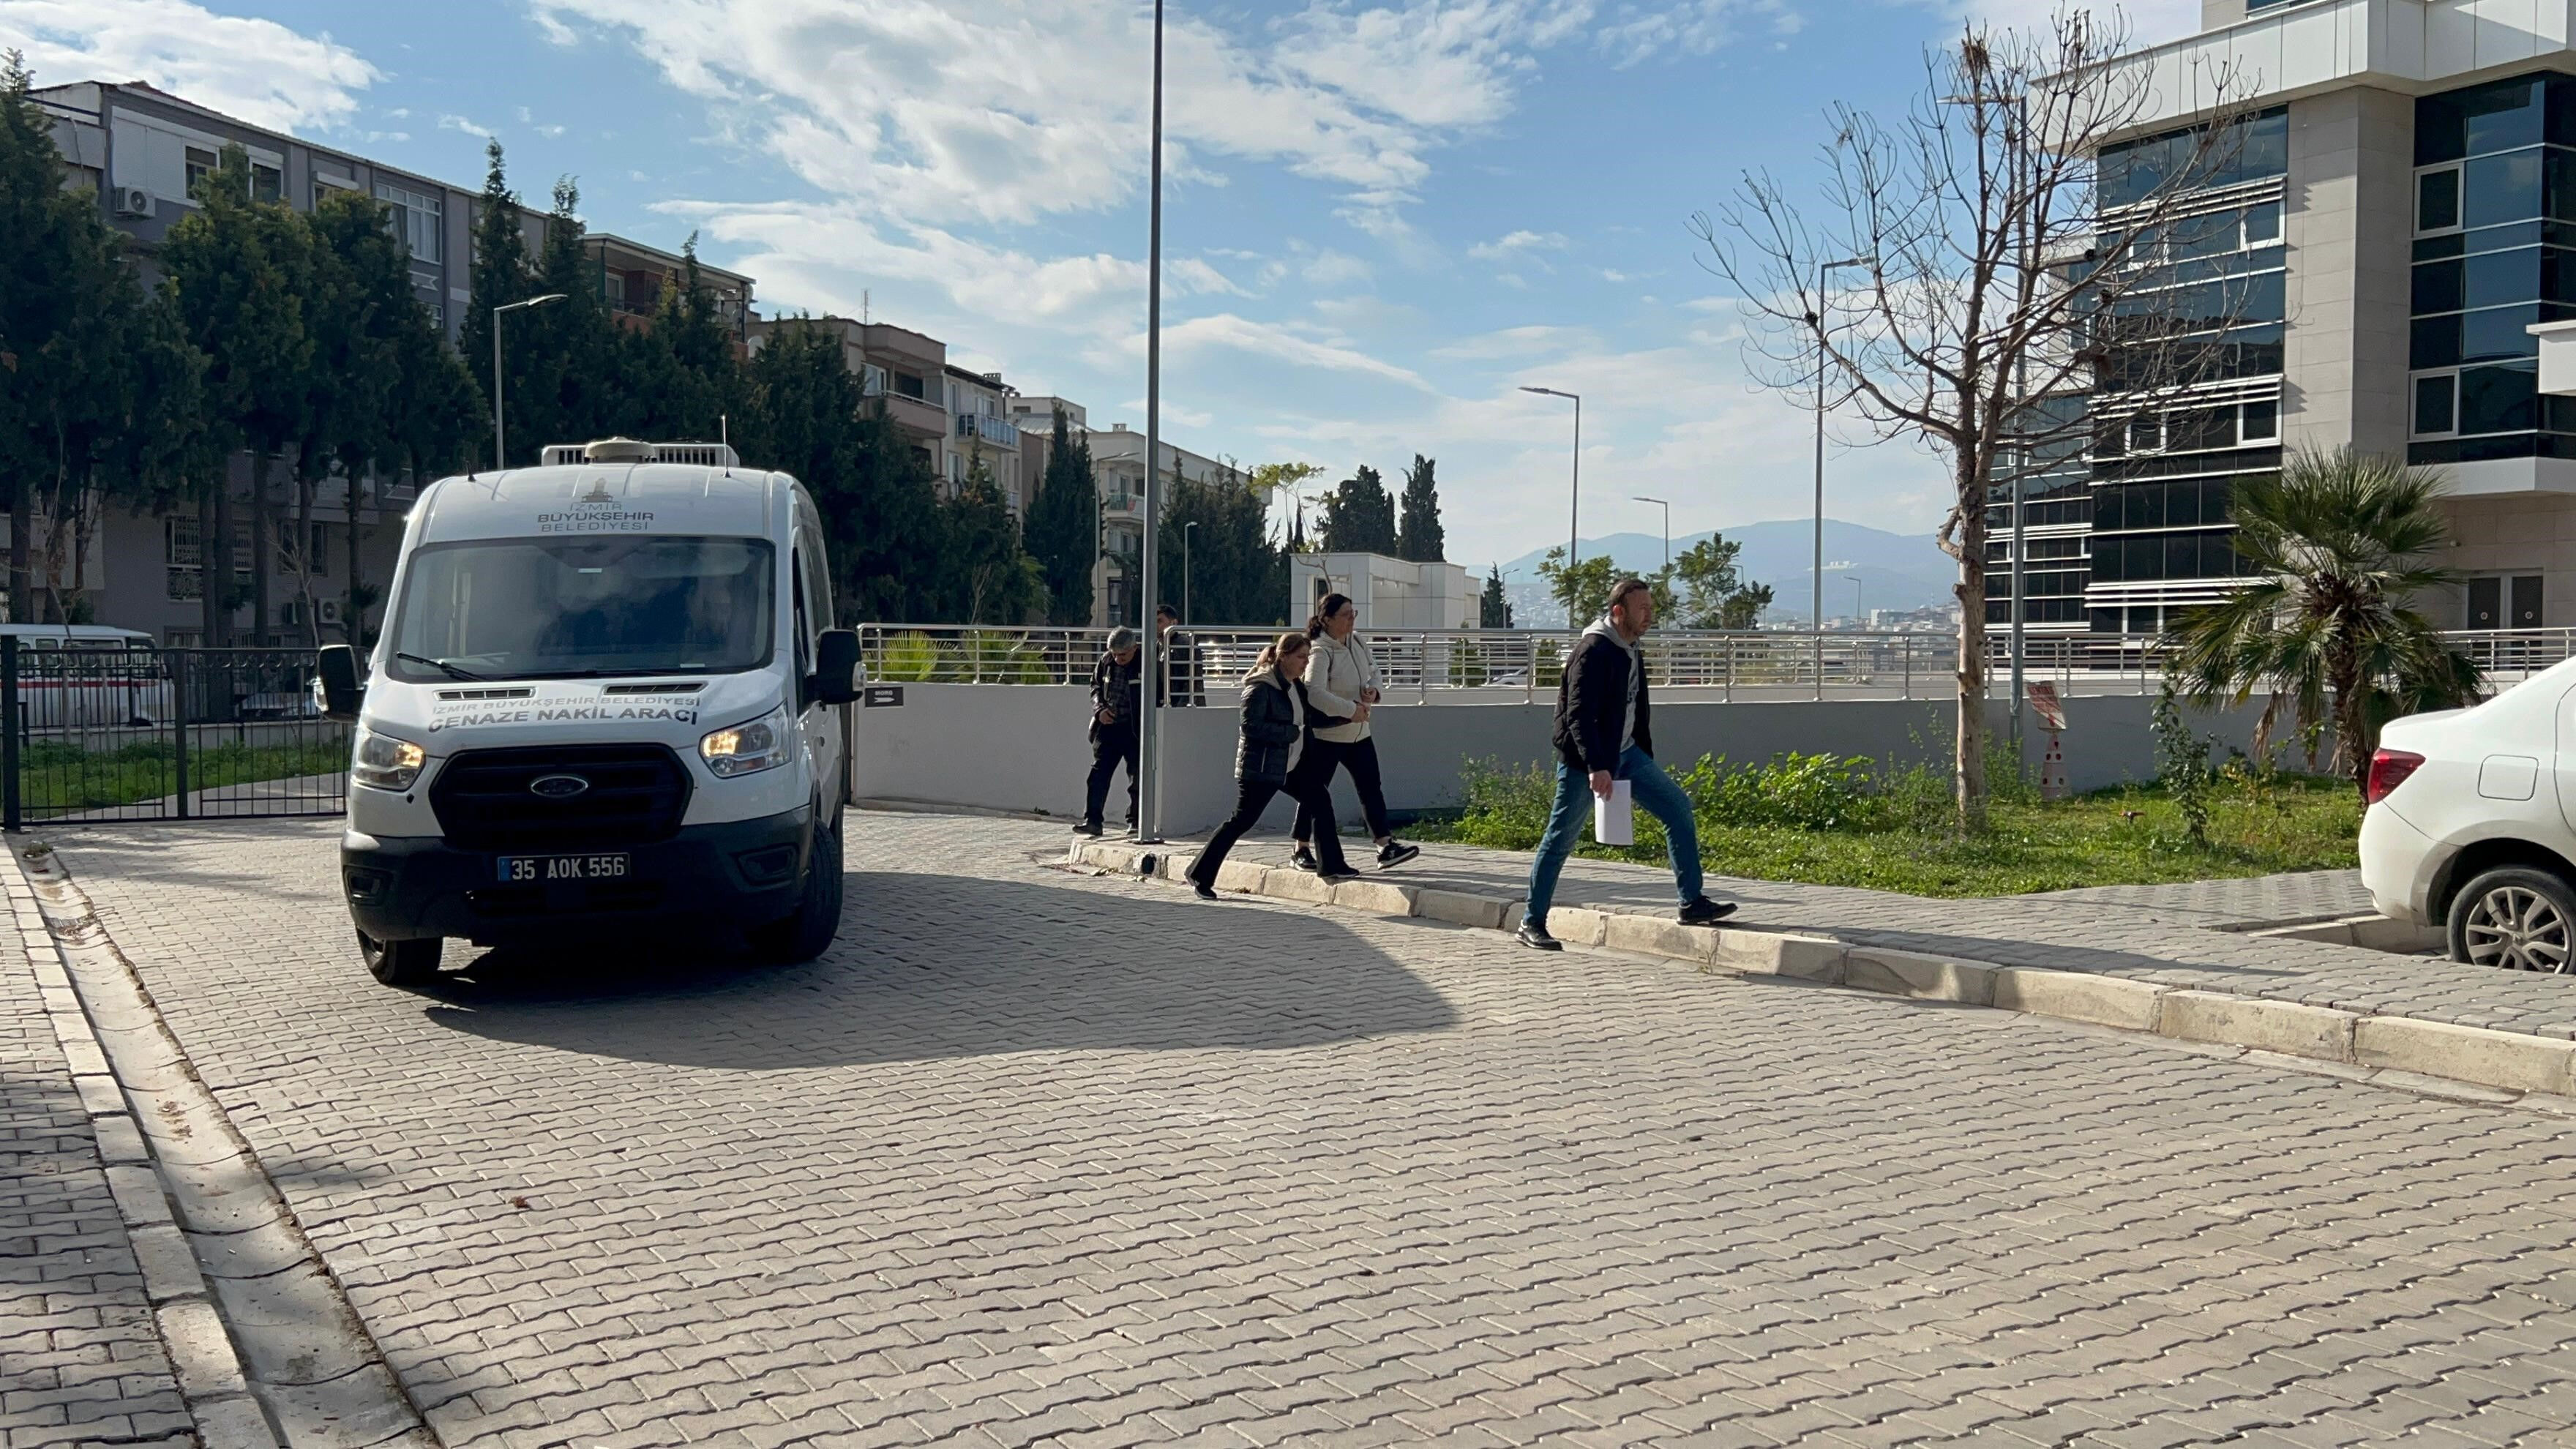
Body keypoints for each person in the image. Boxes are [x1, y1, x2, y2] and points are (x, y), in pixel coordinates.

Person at [1516, 578, 1736, 950]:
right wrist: (1596, 766)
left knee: (1678, 808)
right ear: (1619, 612)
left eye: (1652, 608)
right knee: (1560, 839)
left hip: (1628, 754)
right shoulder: (1593, 650)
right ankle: (1531, 921)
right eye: (1643, 609)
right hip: (1586, 761)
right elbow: (1578, 715)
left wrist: (1641, 754)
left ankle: (1692, 903)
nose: (1650, 615)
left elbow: (1636, 706)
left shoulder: (1631, 647)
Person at [1185, 633, 1358, 899]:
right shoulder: (1260, 687)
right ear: (1283, 656)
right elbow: (1250, 727)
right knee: (1241, 822)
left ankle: (1332, 866)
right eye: (1300, 657)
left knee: (1320, 800)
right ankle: (1200, 875)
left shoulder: (1295, 686)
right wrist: (1288, 733)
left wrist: (1346, 718)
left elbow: (1308, 721)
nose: (1304, 663)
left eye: (1307, 658)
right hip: (1262, 769)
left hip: (1290, 766)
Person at [1290, 593, 1420, 871]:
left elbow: (1374, 672)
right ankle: (1301, 848)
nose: (1351, 619)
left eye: (1353, 613)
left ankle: (1385, 846)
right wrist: (1350, 709)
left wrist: (1374, 691)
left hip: (1359, 733)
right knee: (1314, 793)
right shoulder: (1320, 651)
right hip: (1328, 736)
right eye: (1345, 615)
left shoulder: (1357, 641)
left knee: (1371, 788)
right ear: (1327, 619)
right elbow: (1314, 694)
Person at [1075, 626, 1142, 838]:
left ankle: (1136, 822)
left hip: (1134, 728)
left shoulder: (1145, 663)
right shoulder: (1106, 661)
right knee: (1098, 775)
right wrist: (1099, 710)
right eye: (1114, 654)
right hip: (1108, 727)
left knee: (1138, 777)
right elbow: (1095, 686)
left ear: (1134, 648)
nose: (1118, 659)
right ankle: (1093, 821)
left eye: (1123, 655)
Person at [1156, 603, 1202, 708]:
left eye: (1159, 621)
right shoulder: (1156, 647)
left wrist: (1179, 709)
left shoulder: (1187, 646)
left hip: (1184, 710)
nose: (1155, 626)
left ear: (1174, 623)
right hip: (1165, 706)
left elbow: (1192, 683)